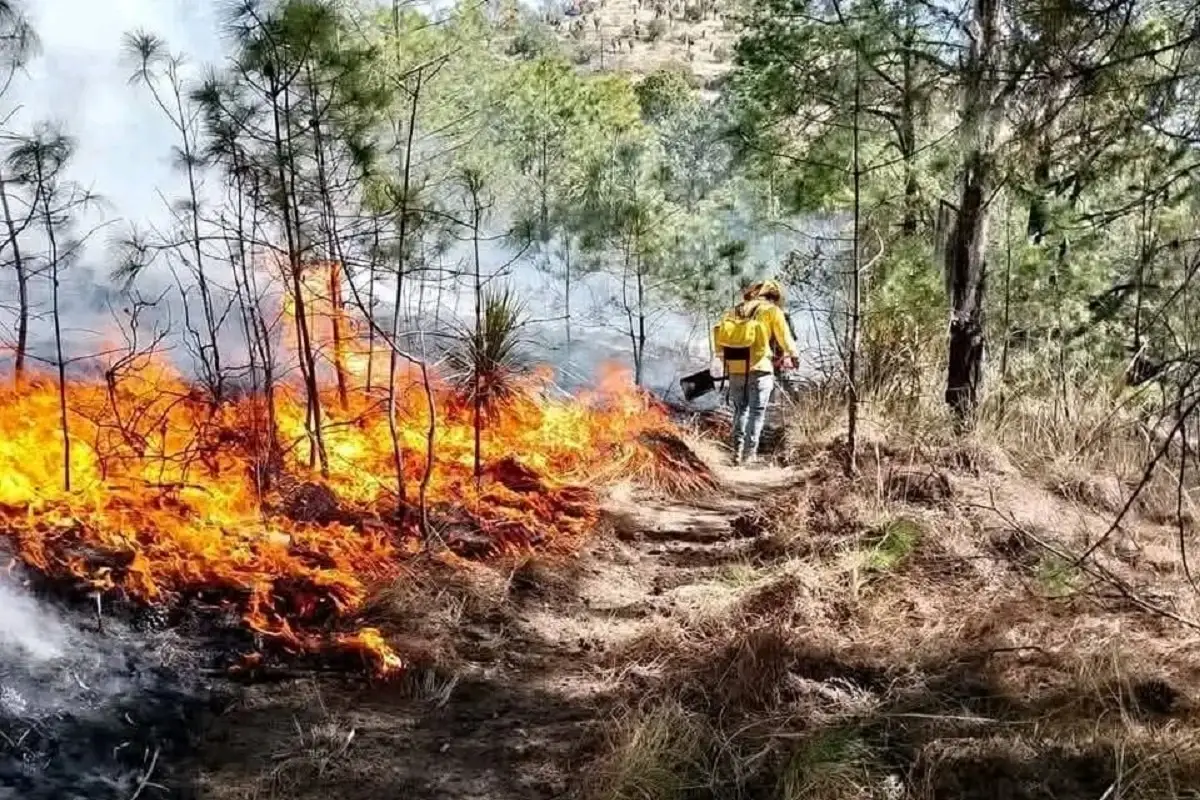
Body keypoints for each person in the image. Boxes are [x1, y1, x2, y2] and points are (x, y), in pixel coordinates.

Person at [712, 279, 800, 465]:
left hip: (736, 366)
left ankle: (736, 452)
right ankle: (749, 455)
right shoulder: (772, 311)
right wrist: (794, 354)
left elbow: (720, 335)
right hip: (760, 366)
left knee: (739, 409)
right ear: (774, 297)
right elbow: (784, 337)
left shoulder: (735, 310)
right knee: (757, 412)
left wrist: (724, 359)